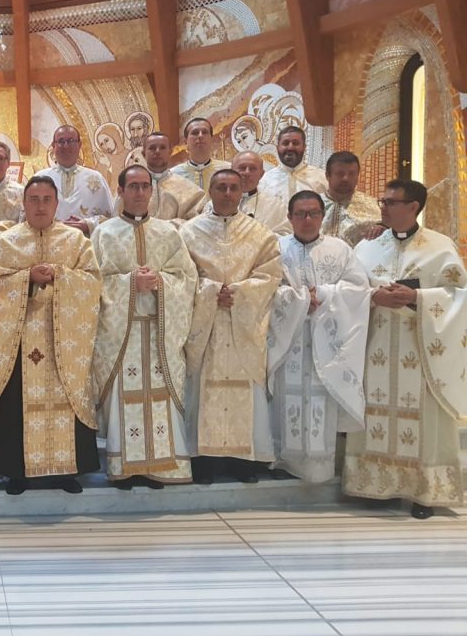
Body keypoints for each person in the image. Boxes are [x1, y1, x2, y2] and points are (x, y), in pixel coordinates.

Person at [343, 179, 467, 519]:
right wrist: (373, 296)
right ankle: (376, 486)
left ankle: (423, 494)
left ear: (413, 207)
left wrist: (417, 297)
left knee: (424, 420)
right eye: (382, 201)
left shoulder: (440, 248)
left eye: (390, 202)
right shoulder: (367, 248)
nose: (382, 207)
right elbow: (348, 290)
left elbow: (460, 296)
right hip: (377, 348)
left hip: (422, 351)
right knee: (375, 412)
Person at [0, 175, 102, 494]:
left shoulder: (76, 242)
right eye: (33, 200)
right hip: (19, 339)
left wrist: (59, 275)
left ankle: (66, 472)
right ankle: (16, 472)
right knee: (16, 403)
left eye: (47, 199)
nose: (40, 206)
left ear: (56, 204)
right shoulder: (7, 242)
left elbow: (92, 282)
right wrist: (27, 279)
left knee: (65, 398)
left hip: (64, 338)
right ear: (23, 203)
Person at [92, 166, 198, 488]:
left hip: (158, 332)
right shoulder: (104, 234)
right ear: (120, 191)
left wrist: (160, 282)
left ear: (152, 191)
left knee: (159, 396)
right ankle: (124, 467)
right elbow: (92, 281)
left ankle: (160, 466)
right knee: (123, 397)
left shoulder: (169, 234)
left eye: (144, 186)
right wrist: (129, 283)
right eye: (133, 186)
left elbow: (187, 278)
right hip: (120, 335)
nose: (139, 192)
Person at [180, 169, 283, 484]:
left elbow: (270, 275)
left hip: (243, 326)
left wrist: (238, 293)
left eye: (233, 188)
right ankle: (203, 460)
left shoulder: (260, 234)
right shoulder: (189, 233)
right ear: (210, 192)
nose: (227, 193)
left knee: (245, 392)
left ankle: (242, 461)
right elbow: (181, 275)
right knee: (203, 390)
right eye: (221, 187)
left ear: (241, 192)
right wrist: (210, 292)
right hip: (206, 326)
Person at [267, 191, 370, 483]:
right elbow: (263, 288)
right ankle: (283, 461)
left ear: (322, 217)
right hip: (288, 339)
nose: (307, 219)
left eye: (313, 213)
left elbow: (358, 289)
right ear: (289, 217)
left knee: (319, 399)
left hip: (327, 339)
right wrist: (299, 299)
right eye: (300, 214)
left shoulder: (340, 249)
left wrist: (323, 294)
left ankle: (318, 466)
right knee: (285, 397)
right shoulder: (275, 248)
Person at [34, 125, 114, 235]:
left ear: (79, 145)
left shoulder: (96, 179)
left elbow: (111, 220)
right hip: (49, 242)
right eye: (61, 141)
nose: (66, 146)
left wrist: (88, 225)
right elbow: (26, 218)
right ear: (53, 146)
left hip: (86, 243)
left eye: (71, 141)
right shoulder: (39, 180)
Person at [116, 132, 203, 223]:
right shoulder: (128, 187)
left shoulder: (188, 188)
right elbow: (118, 222)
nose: (157, 151)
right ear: (143, 153)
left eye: (162, 148)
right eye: (152, 148)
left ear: (170, 152)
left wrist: (165, 227)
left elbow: (195, 223)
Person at [321, 150, 384, 246]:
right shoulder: (313, 205)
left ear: (358, 176)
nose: (345, 178)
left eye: (351, 174)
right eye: (340, 174)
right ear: (327, 176)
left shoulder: (374, 206)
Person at [224, 151, 291, 234]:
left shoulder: (275, 206)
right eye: (242, 168)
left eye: (252, 169)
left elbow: (286, 236)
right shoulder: (217, 202)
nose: (247, 173)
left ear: (261, 174)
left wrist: (257, 234)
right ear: (232, 171)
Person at [260, 125, 327, 201]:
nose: (290, 147)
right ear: (277, 148)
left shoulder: (322, 178)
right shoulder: (264, 181)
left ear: (304, 147)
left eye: (295, 143)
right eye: (285, 143)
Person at [170, 118, 230, 190]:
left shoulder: (228, 170)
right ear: (185, 142)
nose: (200, 136)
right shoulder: (174, 175)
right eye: (195, 133)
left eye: (204, 132)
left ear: (211, 139)